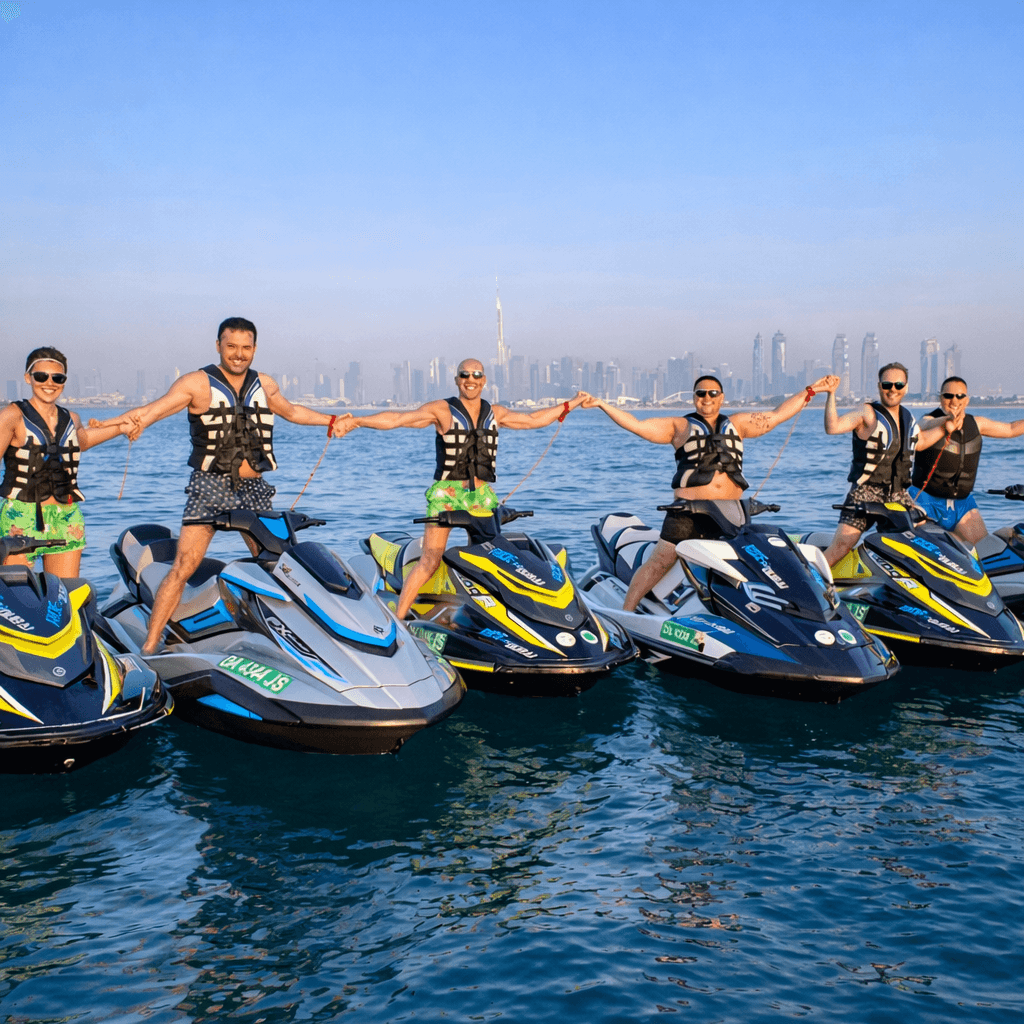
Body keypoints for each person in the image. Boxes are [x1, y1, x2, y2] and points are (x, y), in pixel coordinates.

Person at [94, 317, 349, 654]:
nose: (238, 354)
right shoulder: (196, 383)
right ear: (218, 346)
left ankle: (307, 644)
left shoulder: (265, 384)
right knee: (184, 566)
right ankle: (151, 646)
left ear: (254, 349)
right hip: (210, 486)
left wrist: (331, 421)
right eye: (231, 346)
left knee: (280, 565)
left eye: (245, 348)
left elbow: (291, 412)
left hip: (254, 488)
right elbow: (152, 411)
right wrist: (115, 424)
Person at [336, 357, 584, 619]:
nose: (470, 380)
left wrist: (572, 403)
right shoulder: (442, 410)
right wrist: (357, 422)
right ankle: (399, 619)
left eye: (476, 375)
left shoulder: (495, 413)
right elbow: (398, 418)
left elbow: (534, 419)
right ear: (457, 380)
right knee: (430, 560)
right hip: (447, 495)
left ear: (484, 380)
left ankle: (495, 617)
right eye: (464, 375)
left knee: (492, 559)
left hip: (482, 497)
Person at [581, 372, 840, 612]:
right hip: (687, 512)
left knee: (743, 564)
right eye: (700, 393)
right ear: (694, 397)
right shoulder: (679, 427)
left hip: (730, 512)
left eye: (712, 393)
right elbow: (637, 425)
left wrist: (812, 390)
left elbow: (778, 415)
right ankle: (627, 613)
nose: (706, 398)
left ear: (721, 397)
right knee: (661, 561)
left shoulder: (738, 424)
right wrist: (603, 404)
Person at [1, 347, 137, 576]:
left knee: (65, 593)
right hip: (21, 516)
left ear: (64, 381)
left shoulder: (72, 418)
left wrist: (121, 428)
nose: (49, 383)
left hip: (66, 516)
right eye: (41, 376)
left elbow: (83, 441)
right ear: (28, 378)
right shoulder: (12, 416)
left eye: (57, 378)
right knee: (18, 592)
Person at [819, 361, 958, 567]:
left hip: (898, 495)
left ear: (906, 388)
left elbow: (919, 443)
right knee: (842, 546)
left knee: (925, 539)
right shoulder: (867, 413)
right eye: (887, 384)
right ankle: (810, 577)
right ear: (879, 386)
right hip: (865, 493)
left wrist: (945, 428)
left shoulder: (908, 418)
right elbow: (833, 427)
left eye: (898, 385)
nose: (893, 389)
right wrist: (831, 394)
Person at [908, 376, 1024, 546]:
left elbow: (1011, 429)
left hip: (962, 505)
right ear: (941, 398)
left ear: (967, 399)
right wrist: (947, 422)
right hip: (925, 501)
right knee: (926, 549)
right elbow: (920, 428)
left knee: (983, 550)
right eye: (948, 396)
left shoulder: (977, 424)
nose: (954, 400)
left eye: (960, 396)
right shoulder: (929, 421)